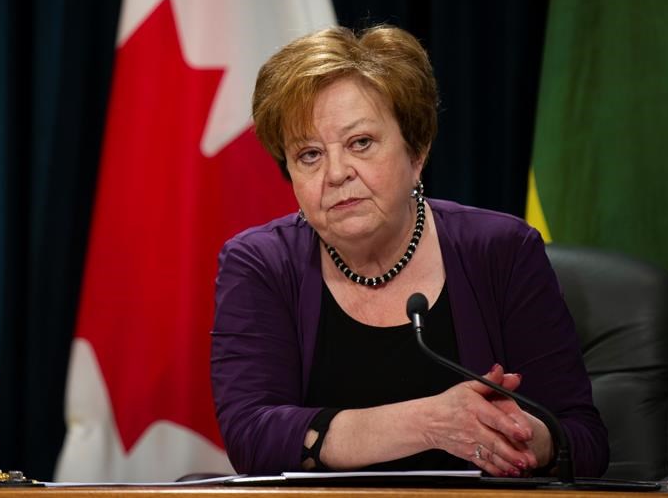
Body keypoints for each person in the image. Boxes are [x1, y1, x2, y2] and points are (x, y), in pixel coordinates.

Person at [210, 25, 608, 478]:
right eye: (310, 155)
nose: (336, 173)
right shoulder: (261, 264)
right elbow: (252, 436)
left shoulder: (503, 251)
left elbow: (585, 442)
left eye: (361, 143)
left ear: (416, 153)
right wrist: (429, 423)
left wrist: (526, 436)